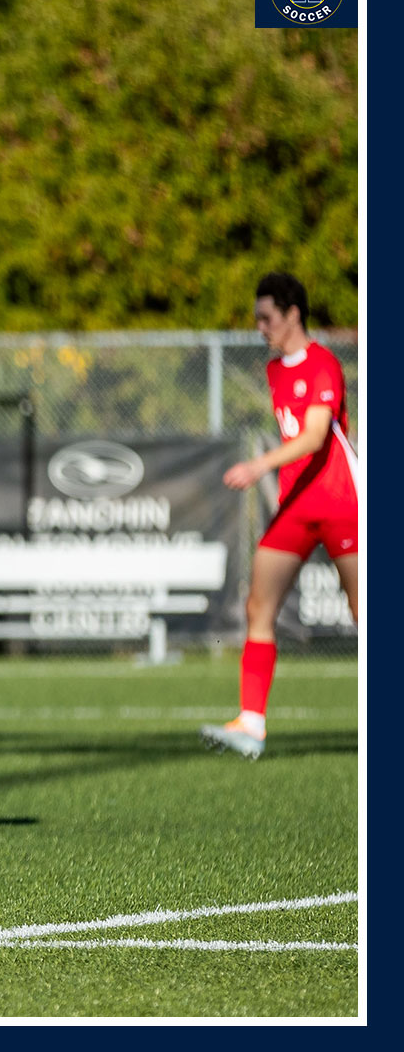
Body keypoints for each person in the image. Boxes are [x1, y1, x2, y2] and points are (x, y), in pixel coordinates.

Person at [206, 272, 360, 760]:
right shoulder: (275, 371)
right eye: (257, 317)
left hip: (341, 502)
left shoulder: (324, 366)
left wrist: (258, 465)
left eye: (267, 316)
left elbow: (316, 438)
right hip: (296, 507)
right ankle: (251, 725)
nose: (260, 326)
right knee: (258, 607)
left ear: (294, 313)